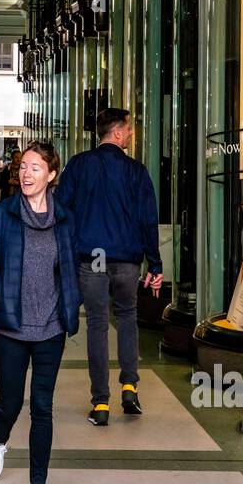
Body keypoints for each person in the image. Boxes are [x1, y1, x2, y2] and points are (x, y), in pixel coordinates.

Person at [0, 142, 80, 484]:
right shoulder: (3, 214)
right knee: (10, 402)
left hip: (51, 327)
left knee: (42, 407)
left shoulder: (65, 218)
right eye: (23, 167)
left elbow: (72, 264)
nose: (26, 173)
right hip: (11, 326)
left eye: (36, 168)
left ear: (51, 175)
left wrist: (72, 301)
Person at [55, 108, 163, 426]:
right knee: (128, 317)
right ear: (116, 132)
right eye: (128, 129)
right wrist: (154, 263)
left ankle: (100, 403)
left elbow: (62, 209)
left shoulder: (79, 165)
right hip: (127, 259)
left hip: (93, 258)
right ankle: (129, 387)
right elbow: (148, 219)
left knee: (99, 325)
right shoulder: (136, 171)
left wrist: (69, 251)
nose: (131, 134)